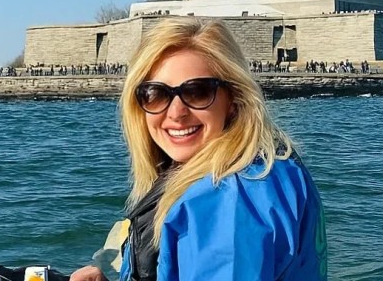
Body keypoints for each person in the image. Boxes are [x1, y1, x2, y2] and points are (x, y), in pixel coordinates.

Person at [71, 17, 327, 281]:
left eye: (198, 92)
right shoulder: (265, 169)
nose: (176, 113)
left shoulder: (226, 201)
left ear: (234, 98)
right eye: (156, 93)